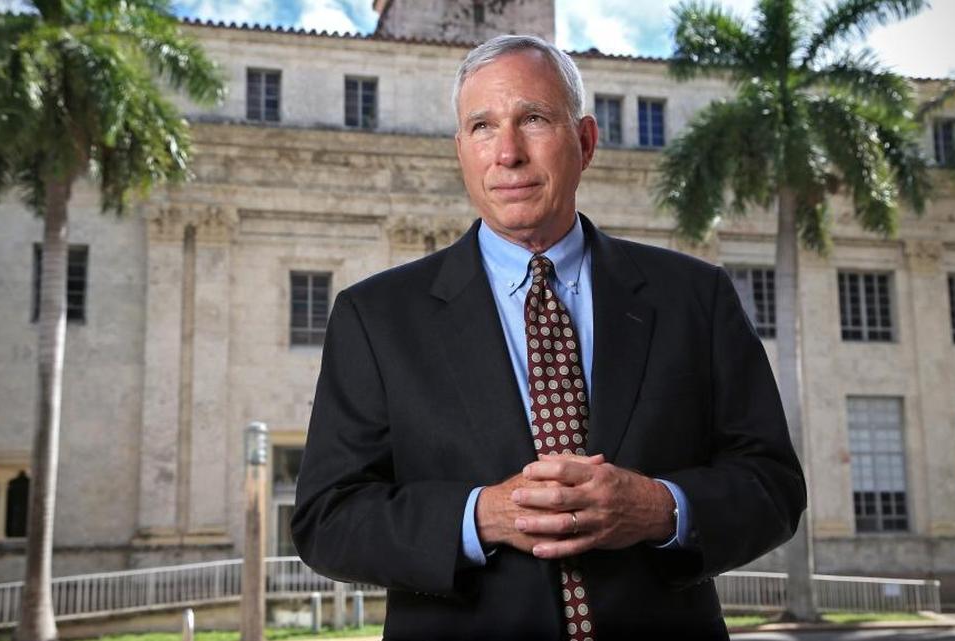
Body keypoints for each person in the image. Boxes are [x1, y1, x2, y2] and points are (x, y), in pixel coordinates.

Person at [291, 34, 806, 641]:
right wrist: (479, 517)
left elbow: (772, 485)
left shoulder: (696, 297)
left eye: (532, 119)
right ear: (461, 151)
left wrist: (657, 507)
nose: (506, 153)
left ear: (585, 141)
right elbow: (327, 518)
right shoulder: (375, 317)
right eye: (482, 126)